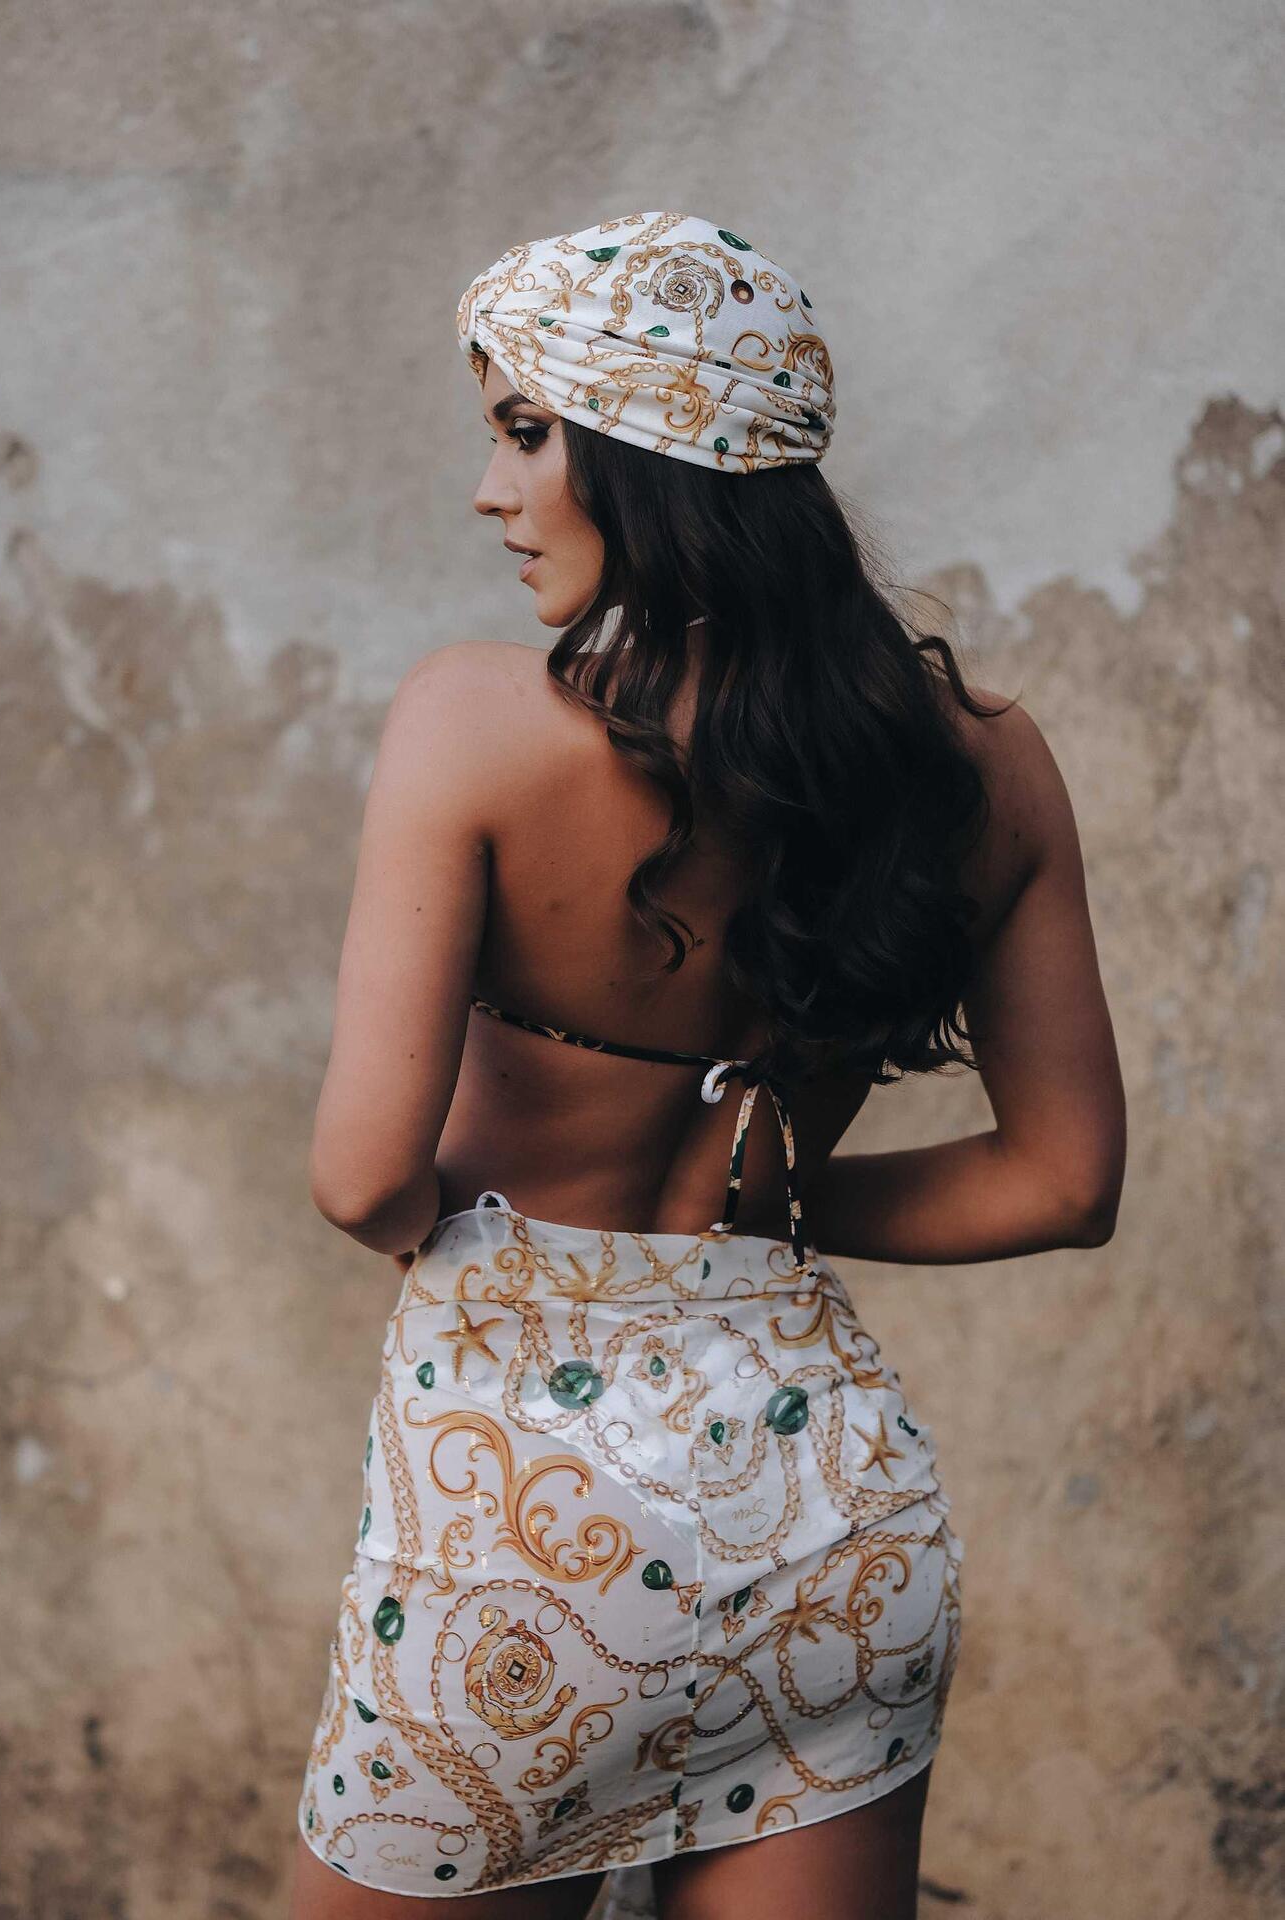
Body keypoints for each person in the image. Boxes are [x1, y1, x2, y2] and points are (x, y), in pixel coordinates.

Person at [289, 212, 1126, 1920]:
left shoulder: (472, 721)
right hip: (834, 1529)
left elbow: (364, 1178)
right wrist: (770, 1197)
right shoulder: (984, 766)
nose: (492, 491)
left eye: (526, 431)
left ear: (647, 450)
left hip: (525, 1538)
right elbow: (1064, 1182)